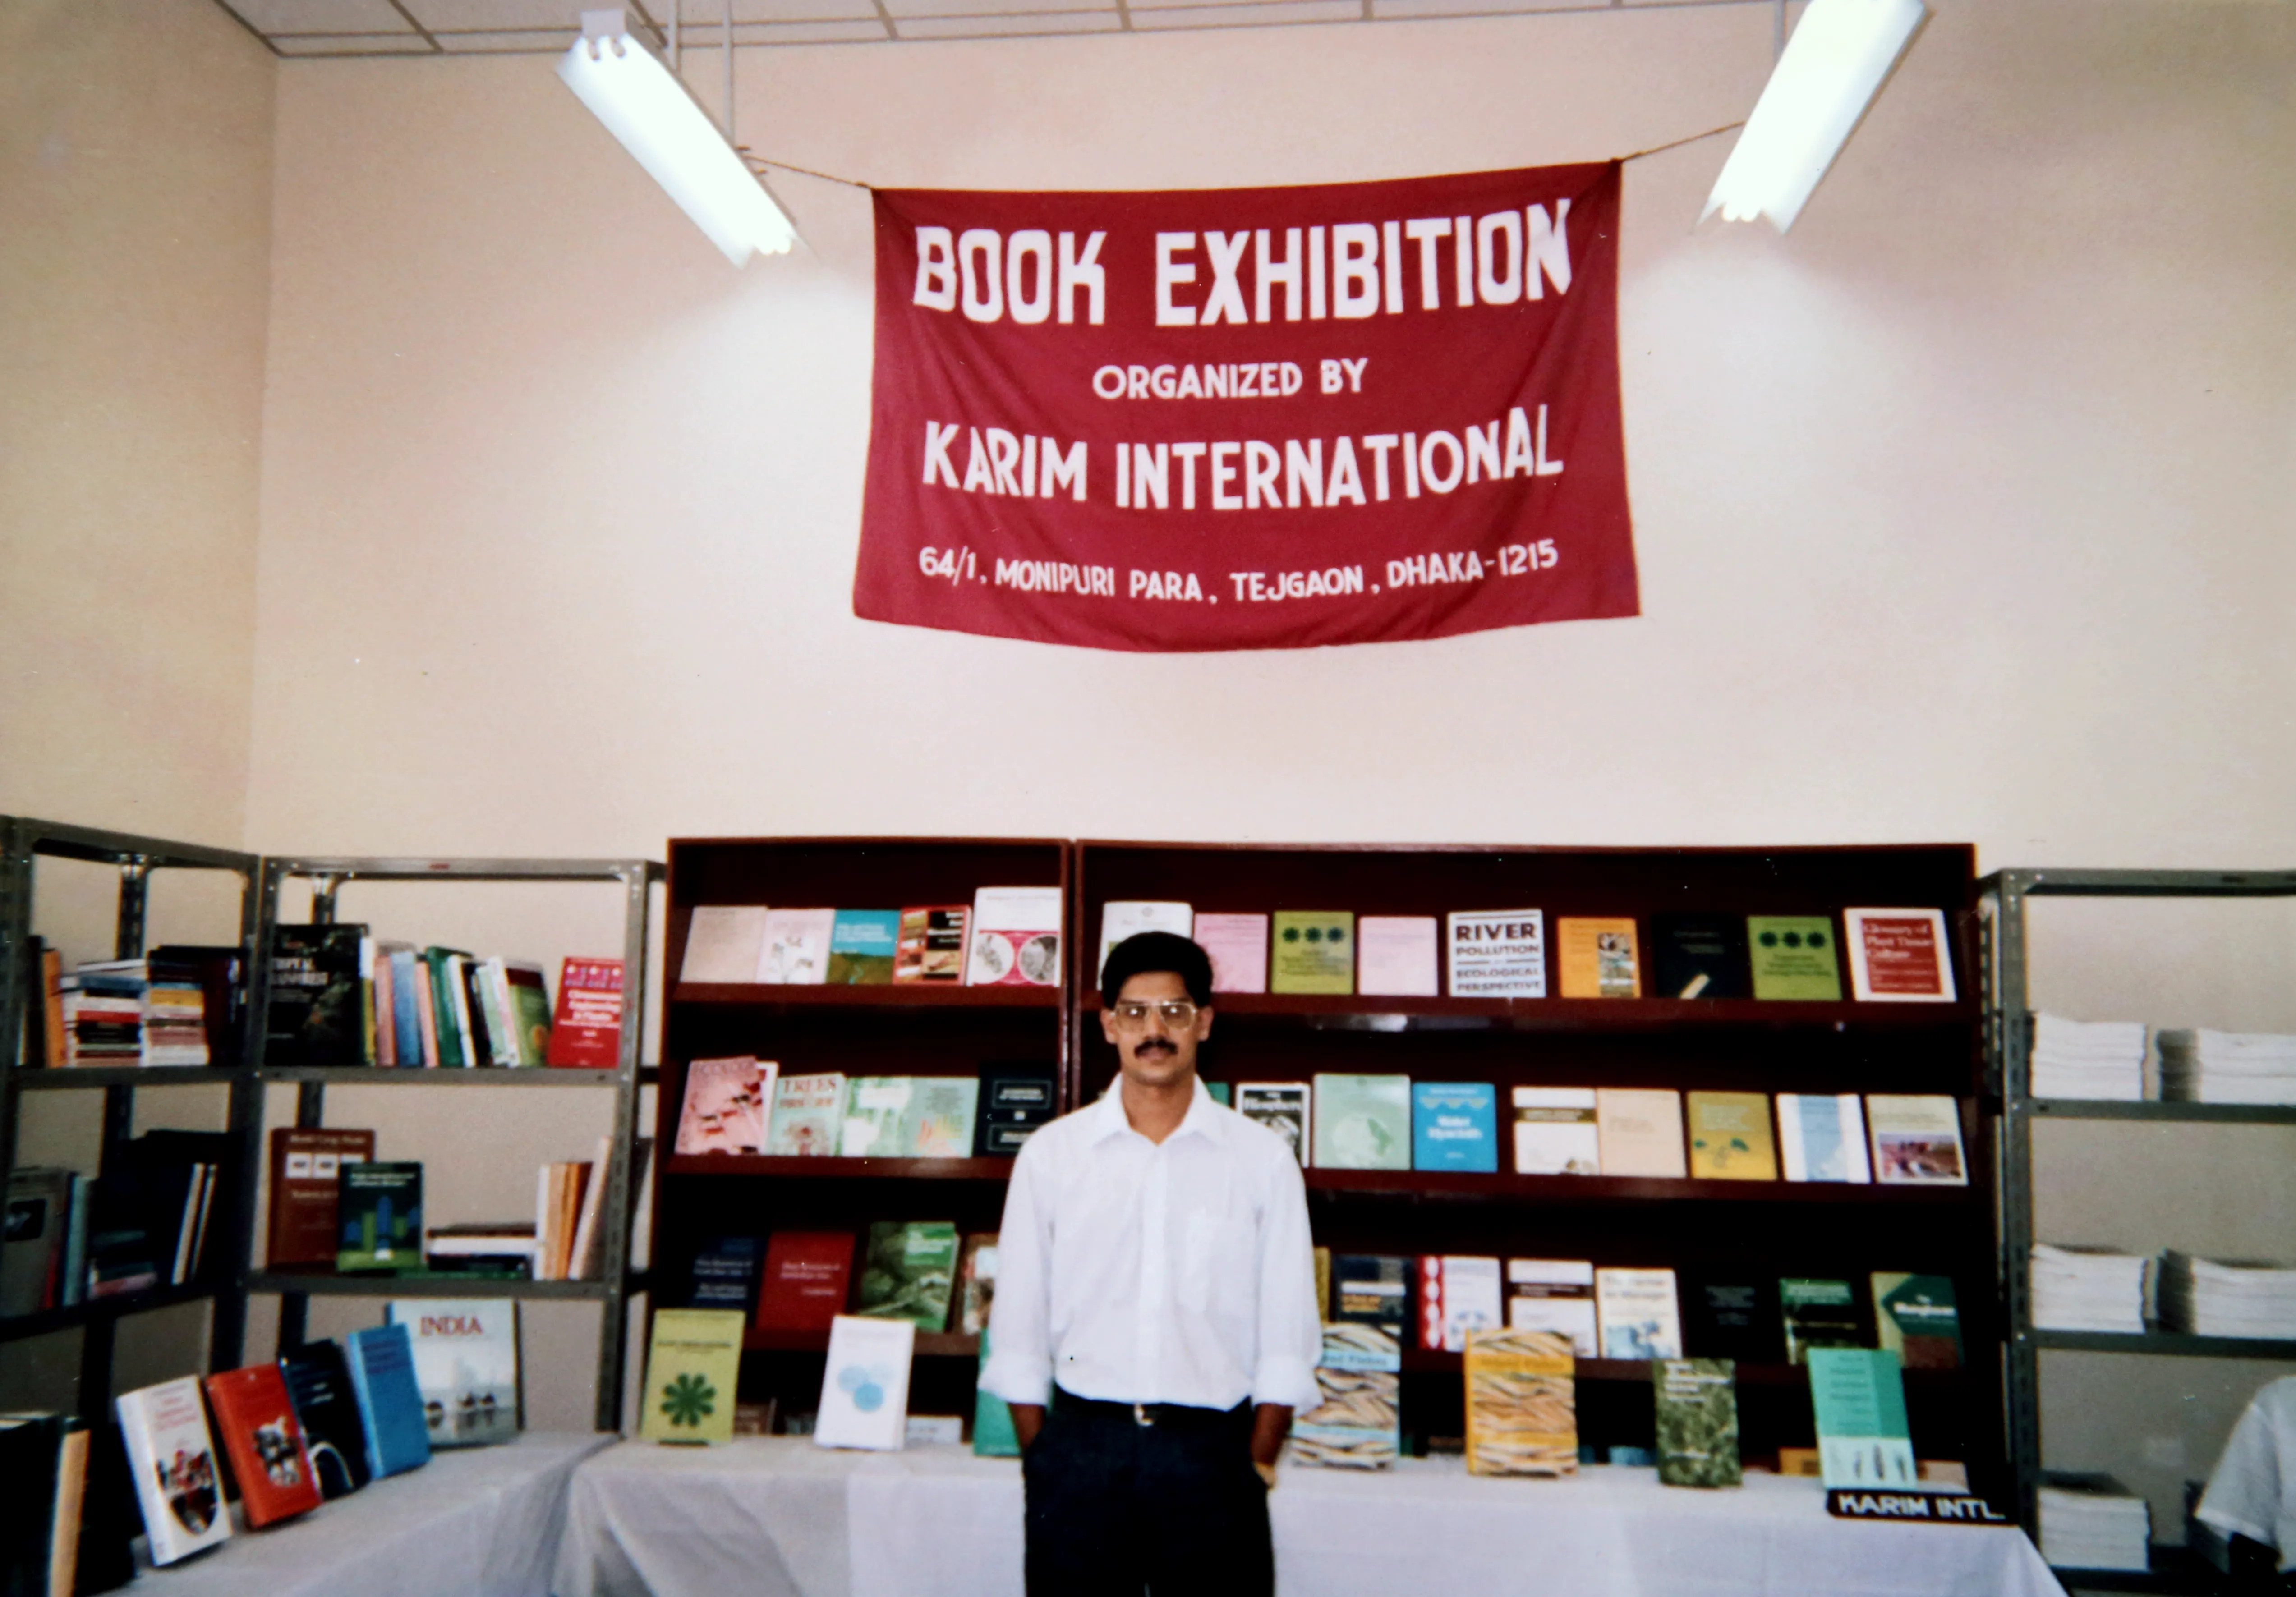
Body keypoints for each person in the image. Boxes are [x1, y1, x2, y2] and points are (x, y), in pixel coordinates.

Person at [981, 930, 1321, 1597]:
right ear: (1108, 1024)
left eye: (1175, 1010)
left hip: (1212, 1457)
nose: (1154, 1029)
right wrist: (1043, 1457)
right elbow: (1018, 1322)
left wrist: (1257, 1460)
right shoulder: (1053, 1155)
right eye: (1135, 1011)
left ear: (1204, 1022)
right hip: (1082, 1449)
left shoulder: (1260, 1159)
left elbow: (1287, 1325)